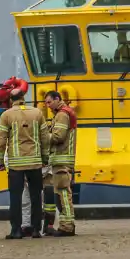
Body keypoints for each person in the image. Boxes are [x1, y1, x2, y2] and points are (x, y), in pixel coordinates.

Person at [0, 88, 46, 239]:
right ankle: (36, 229)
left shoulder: (7, 115)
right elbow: (45, 138)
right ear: (24, 97)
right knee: (36, 196)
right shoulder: (37, 113)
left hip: (16, 165)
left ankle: (16, 230)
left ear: (11, 100)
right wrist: (45, 157)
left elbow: (1, 140)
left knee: (15, 198)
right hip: (35, 162)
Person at [43, 90, 77, 236]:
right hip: (62, 160)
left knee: (63, 193)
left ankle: (67, 226)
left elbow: (58, 137)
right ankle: (65, 224)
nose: (48, 106)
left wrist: (42, 136)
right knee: (61, 193)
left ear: (57, 99)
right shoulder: (63, 113)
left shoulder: (62, 114)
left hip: (62, 160)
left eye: (49, 102)